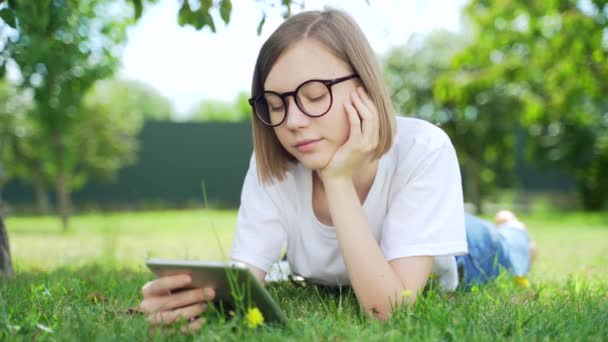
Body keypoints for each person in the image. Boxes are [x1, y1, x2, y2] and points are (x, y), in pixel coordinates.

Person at [139, 8, 536, 329]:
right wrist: (193, 303)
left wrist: (338, 178)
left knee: (509, 248)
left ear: (365, 89)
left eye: (314, 96)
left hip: (464, 251)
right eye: (276, 105)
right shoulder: (273, 165)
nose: (292, 121)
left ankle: (513, 228)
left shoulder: (424, 149)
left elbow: (390, 313)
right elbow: (244, 281)